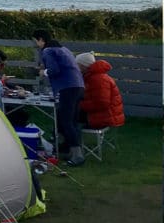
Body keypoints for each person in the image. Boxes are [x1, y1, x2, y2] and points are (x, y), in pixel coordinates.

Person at [32, 29, 86, 166]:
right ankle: (70, 150)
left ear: (41, 40)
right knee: (73, 121)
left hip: (66, 87)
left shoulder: (47, 51)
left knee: (65, 121)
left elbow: (55, 70)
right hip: (79, 86)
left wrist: (43, 72)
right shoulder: (64, 49)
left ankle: (77, 155)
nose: (36, 44)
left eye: (36, 41)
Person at [75, 52, 125, 129]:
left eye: (77, 64)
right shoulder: (92, 76)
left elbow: (102, 103)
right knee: (68, 113)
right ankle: (68, 137)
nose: (76, 67)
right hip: (105, 114)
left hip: (106, 116)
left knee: (67, 114)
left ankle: (68, 139)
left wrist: (79, 104)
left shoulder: (98, 79)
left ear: (84, 66)